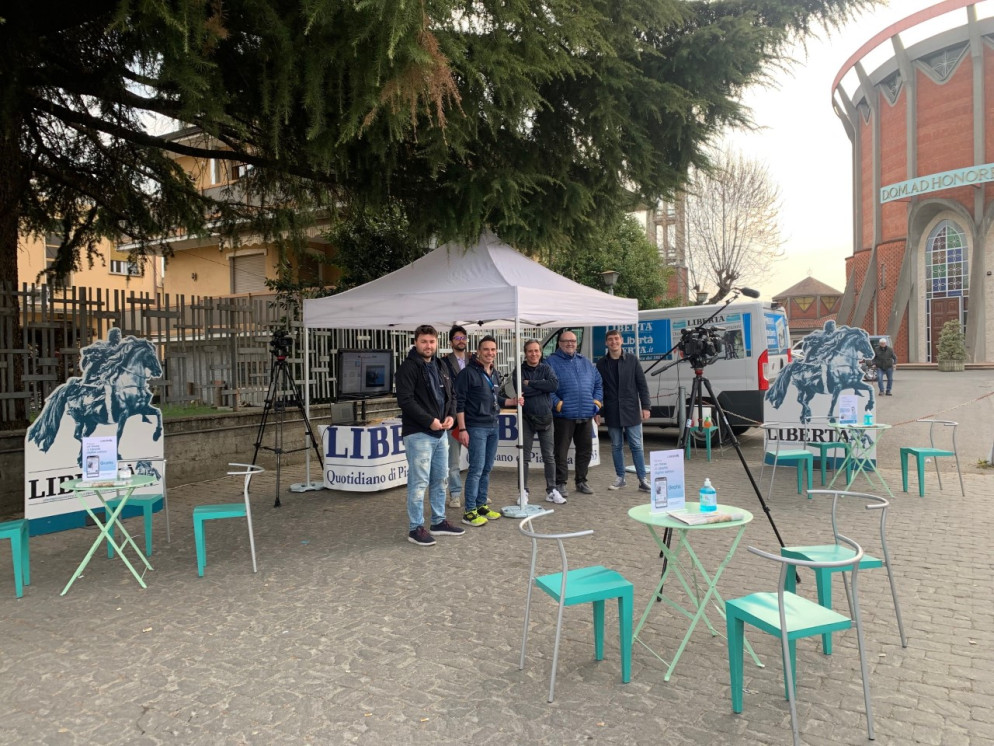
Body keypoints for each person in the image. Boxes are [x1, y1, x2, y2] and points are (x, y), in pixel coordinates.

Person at [395, 324, 466, 546]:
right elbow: (405, 400)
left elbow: (452, 395)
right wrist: (429, 421)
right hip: (419, 434)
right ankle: (415, 528)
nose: (428, 346)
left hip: (441, 433)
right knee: (418, 483)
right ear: (416, 342)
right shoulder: (407, 368)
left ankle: (438, 521)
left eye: (432, 342)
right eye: (424, 341)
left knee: (440, 479)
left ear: (437, 343)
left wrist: (451, 416)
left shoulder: (441, 365)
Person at [455, 335, 523, 526]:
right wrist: (462, 429)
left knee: (486, 468)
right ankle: (469, 511)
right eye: (486, 349)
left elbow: (496, 398)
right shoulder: (467, 374)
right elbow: (459, 403)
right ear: (478, 351)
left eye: (493, 349)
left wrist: (512, 401)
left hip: (493, 425)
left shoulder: (494, 373)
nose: (490, 353)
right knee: (476, 469)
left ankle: (481, 505)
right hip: (476, 427)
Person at [546, 331, 603, 496]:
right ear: (559, 343)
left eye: (573, 341)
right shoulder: (550, 362)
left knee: (585, 450)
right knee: (561, 452)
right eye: (566, 341)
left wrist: (596, 402)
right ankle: (560, 483)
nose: (570, 343)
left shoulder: (585, 362)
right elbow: (547, 388)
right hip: (563, 416)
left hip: (586, 413)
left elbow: (598, 384)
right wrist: (558, 404)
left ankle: (581, 481)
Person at [595, 329, 651, 492]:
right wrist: (597, 411)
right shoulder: (601, 364)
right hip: (612, 410)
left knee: (636, 445)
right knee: (616, 446)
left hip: (631, 409)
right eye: (610, 339)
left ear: (622, 341)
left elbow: (642, 384)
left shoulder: (632, 360)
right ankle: (620, 478)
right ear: (606, 343)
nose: (614, 342)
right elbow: (598, 389)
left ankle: (642, 479)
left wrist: (646, 406)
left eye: (616, 339)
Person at [514, 339, 564, 504]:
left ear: (541, 352)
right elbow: (521, 390)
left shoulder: (546, 368)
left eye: (536, 351)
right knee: (524, 457)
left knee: (549, 456)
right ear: (525, 353)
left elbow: (554, 386)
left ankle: (552, 490)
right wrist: (542, 386)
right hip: (526, 418)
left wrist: (532, 383)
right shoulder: (519, 370)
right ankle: (523, 491)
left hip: (546, 418)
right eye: (530, 351)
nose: (533, 354)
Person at [441, 325, 471, 508]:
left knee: (477, 459)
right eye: (457, 338)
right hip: (453, 414)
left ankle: (477, 493)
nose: (461, 341)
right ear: (450, 342)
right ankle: (455, 494)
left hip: (472, 415)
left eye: (463, 338)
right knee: (453, 460)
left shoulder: (474, 359)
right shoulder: (444, 362)